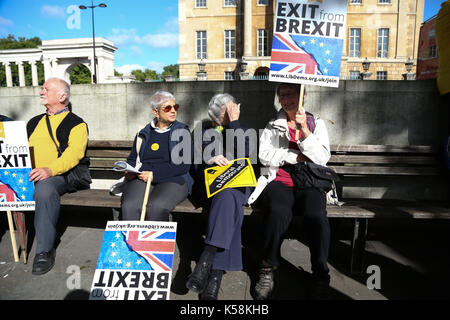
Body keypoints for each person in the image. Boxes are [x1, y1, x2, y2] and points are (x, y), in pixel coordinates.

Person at [247, 83, 331, 300]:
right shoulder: (273, 125)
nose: (286, 99)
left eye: (290, 94)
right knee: (277, 212)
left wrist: (304, 132)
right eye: (282, 95)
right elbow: (264, 155)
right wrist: (292, 157)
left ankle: (320, 272)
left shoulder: (316, 123)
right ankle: (267, 267)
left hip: (310, 182)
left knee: (317, 216)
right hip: (280, 180)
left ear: (302, 95)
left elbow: (322, 159)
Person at [186, 93, 254, 300]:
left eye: (236, 107)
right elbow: (194, 163)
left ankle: (206, 260)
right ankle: (214, 276)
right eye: (232, 109)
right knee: (228, 201)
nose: (237, 109)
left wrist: (234, 123)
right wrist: (210, 159)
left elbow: (247, 154)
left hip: (239, 184)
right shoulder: (202, 131)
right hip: (211, 187)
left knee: (228, 197)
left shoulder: (242, 129)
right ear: (220, 114)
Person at [27, 77, 89, 275]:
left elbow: (74, 155)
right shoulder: (34, 122)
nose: (41, 91)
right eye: (42, 88)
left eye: (46, 89)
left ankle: (44, 251)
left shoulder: (77, 124)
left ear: (62, 96)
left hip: (62, 175)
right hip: (29, 174)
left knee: (45, 189)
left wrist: (49, 170)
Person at [120, 91, 192, 222]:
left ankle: (154, 243)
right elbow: (132, 158)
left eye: (175, 107)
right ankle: (131, 242)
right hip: (142, 176)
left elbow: (183, 166)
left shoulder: (182, 131)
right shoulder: (144, 132)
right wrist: (129, 171)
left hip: (175, 178)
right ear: (156, 112)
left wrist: (154, 175)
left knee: (156, 207)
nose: (173, 111)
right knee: (129, 206)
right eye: (168, 108)